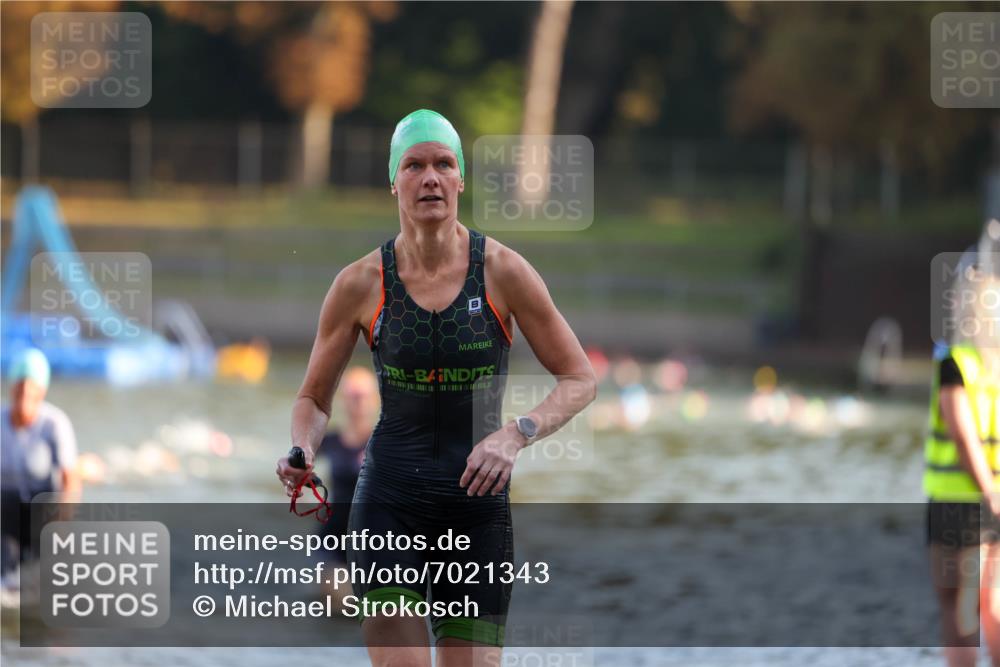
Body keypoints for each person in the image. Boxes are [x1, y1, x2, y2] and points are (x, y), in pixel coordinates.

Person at [276, 109, 596, 667]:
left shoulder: (503, 271)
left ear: (461, 179)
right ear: (392, 181)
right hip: (388, 506)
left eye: (444, 164)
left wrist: (516, 435)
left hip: (476, 512)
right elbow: (313, 399)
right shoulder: (359, 283)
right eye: (414, 165)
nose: (430, 177)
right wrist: (302, 448)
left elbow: (580, 378)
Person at [925, 250, 1000, 667]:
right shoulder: (996, 367)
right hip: (994, 499)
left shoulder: (956, 364)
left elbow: (961, 431)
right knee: (992, 605)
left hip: (960, 501)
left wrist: (987, 493)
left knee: (958, 604)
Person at [1, 348, 80, 588]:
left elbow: (70, 480)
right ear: (12, 388)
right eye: (20, 388)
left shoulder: (55, 423)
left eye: (31, 389)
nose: (24, 395)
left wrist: (63, 523)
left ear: (41, 392)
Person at [315, 366, 379, 608]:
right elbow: (300, 469)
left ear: (375, 400)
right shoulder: (329, 441)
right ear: (342, 400)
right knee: (341, 605)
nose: (357, 403)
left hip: (375, 539)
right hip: (335, 535)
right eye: (352, 397)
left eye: (362, 397)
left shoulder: (384, 443)